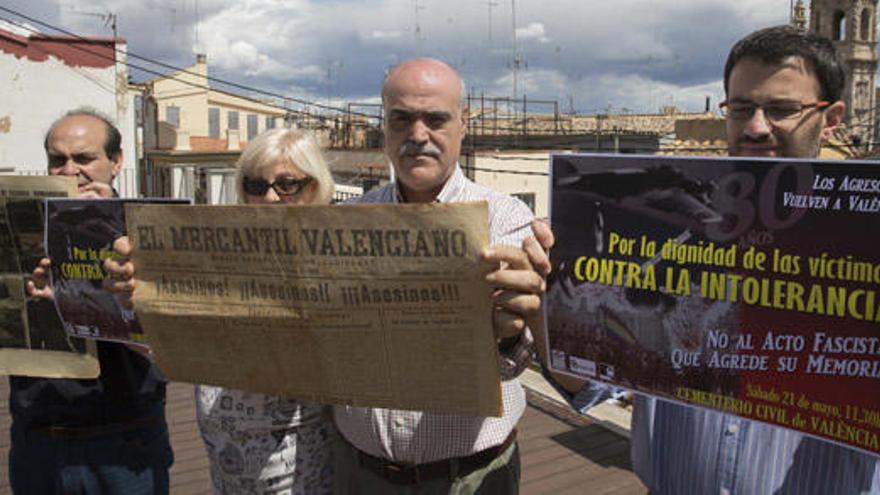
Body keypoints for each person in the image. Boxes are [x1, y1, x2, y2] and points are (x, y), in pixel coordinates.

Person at [542, 25, 880, 494]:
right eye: (741, 108)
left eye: (782, 109)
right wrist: (549, 302)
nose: (756, 126)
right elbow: (592, 387)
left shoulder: (865, 257)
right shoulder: (667, 244)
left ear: (833, 118)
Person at [331, 57, 548, 494]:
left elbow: (515, 364)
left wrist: (507, 333)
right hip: (360, 473)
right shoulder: (349, 220)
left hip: (470, 478)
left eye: (435, 119)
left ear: (463, 123)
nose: (417, 135)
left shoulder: (507, 219)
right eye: (402, 119)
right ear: (385, 125)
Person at [105, 128, 338, 494]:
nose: (270, 197)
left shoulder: (333, 263)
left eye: (287, 184)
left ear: (316, 186)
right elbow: (172, 356)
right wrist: (134, 308)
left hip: (299, 476)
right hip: (225, 470)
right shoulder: (216, 257)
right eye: (256, 186)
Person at [10, 108, 173, 494]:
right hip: (38, 438)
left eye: (84, 158)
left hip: (123, 439)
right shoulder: (22, 226)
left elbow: (172, 329)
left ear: (115, 163)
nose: (70, 170)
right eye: (58, 159)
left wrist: (108, 222)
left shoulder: (146, 230)